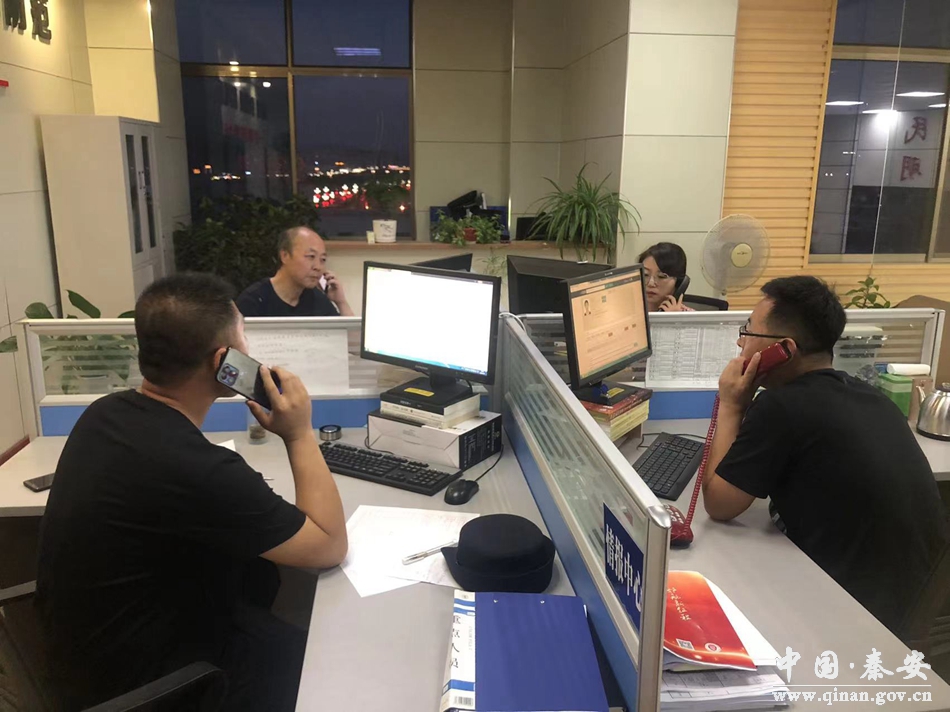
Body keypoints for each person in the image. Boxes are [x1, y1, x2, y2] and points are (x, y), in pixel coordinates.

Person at [35, 273, 348, 711]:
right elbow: (328, 546)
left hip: (87, 664)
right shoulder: (195, 467)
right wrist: (299, 434)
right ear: (223, 360)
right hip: (152, 689)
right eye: (243, 337)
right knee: (328, 664)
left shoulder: (104, 414)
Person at [701, 275, 948, 636]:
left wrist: (731, 404)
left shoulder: (782, 407)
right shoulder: (868, 395)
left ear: (783, 349)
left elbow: (719, 505)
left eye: (748, 331)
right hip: (910, 595)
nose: (740, 342)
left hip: (856, 617)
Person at [237, 226, 354, 317]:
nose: (318, 267)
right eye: (311, 256)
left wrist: (341, 302)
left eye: (322, 260)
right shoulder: (254, 301)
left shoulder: (317, 299)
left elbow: (352, 338)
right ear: (285, 256)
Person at [638, 242, 692, 312]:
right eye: (645, 274)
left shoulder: (690, 316)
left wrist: (674, 317)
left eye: (661, 276)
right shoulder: (628, 310)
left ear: (679, 282)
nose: (651, 283)